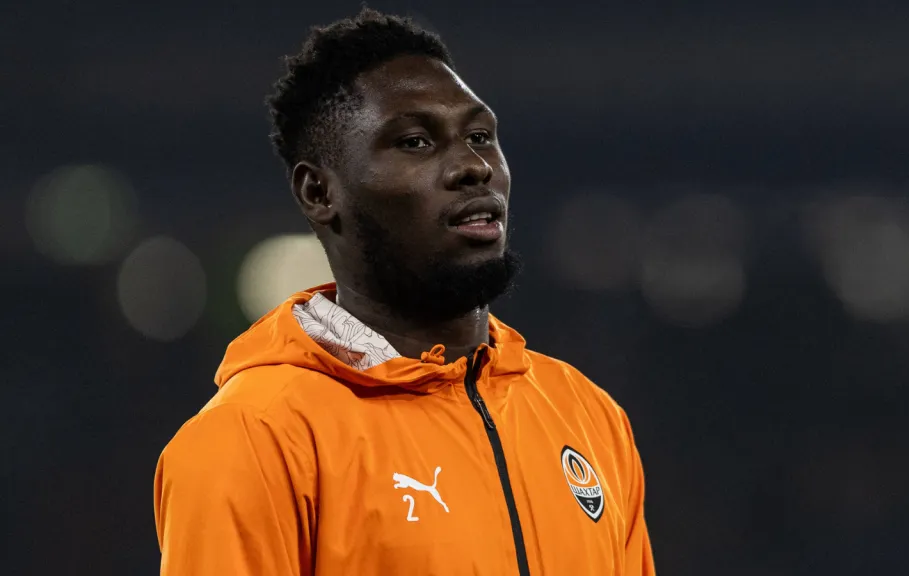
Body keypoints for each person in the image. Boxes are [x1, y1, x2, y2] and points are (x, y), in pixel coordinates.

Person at [154, 8, 655, 575]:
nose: (473, 166)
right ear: (319, 191)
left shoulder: (588, 416)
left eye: (481, 136)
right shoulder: (255, 438)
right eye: (416, 141)